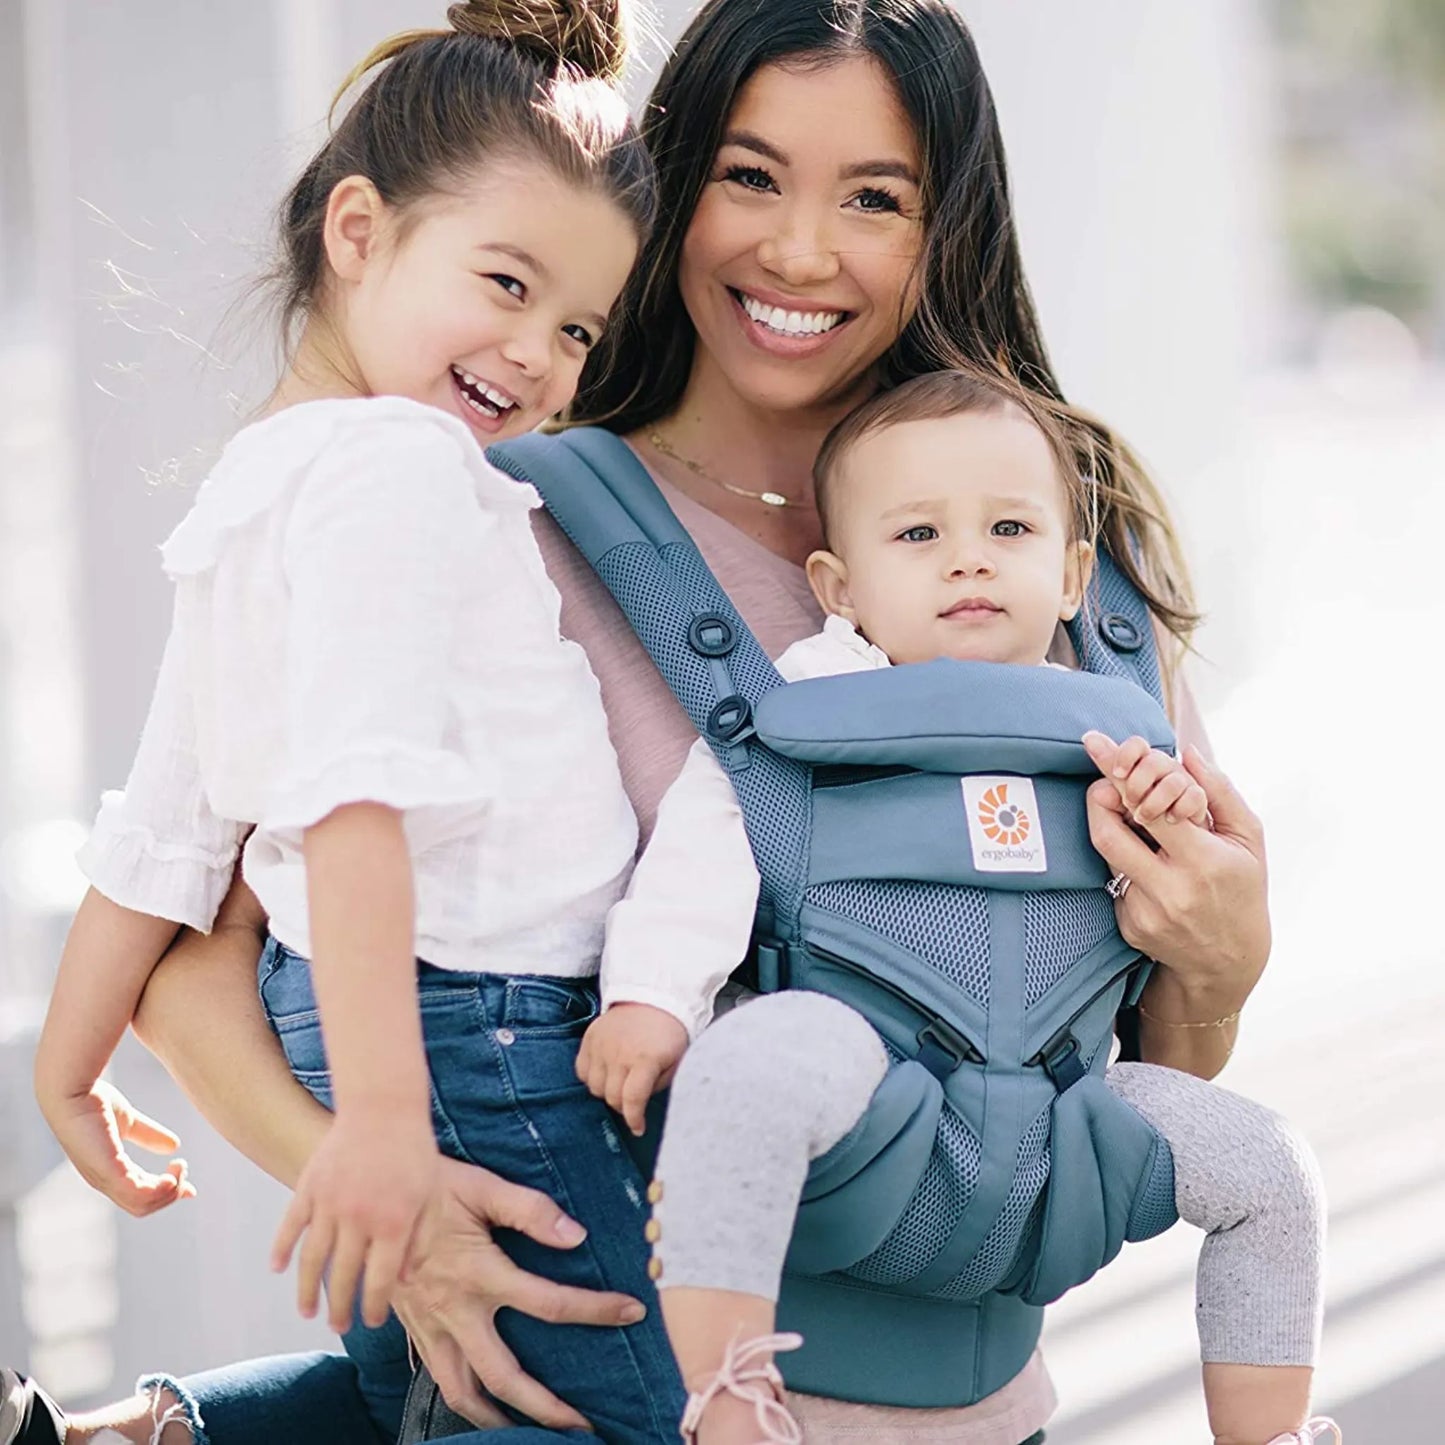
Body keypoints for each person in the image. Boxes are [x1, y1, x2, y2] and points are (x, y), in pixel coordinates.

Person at [10, 2, 1275, 1443]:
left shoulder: (1047, 542)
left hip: (959, 1399)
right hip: (643, 1360)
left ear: (947, 225)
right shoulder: (492, 502)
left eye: (873, 196)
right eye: (748, 177)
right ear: (670, 194)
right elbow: (198, 956)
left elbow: (1120, 1062)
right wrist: (392, 1195)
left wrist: (1226, 962)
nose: (799, 251)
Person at [575, 368, 1337, 1445]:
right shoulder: (802, 707)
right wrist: (650, 998)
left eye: (1007, 527)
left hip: (1065, 1117)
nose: (967, 555)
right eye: (918, 533)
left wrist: (1166, 824)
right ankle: (729, 1398)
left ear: (1072, 574)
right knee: (749, 1060)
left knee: (1271, 1168)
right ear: (838, 588)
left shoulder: (1112, 723)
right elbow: (698, 862)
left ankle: (1268, 1431)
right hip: (865, 1094)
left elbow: (1154, 953)